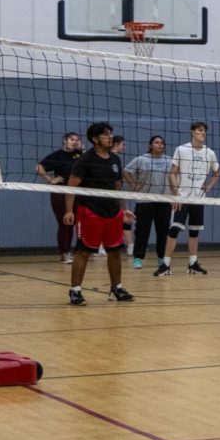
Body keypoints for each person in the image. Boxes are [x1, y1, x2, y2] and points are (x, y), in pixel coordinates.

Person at [61, 122, 134, 306]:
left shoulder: (115, 160)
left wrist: (123, 209)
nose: (110, 137)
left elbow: (118, 188)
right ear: (95, 139)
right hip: (90, 212)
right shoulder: (85, 160)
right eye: (105, 135)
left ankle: (116, 288)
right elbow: (71, 187)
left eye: (110, 134)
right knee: (83, 251)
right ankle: (75, 291)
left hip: (112, 213)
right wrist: (69, 211)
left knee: (115, 251)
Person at [161, 121, 220, 277]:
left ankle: (193, 263)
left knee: (194, 232)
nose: (203, 133)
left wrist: (207, 188)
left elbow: (217, 173)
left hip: (198, 199)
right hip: (182, 197)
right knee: (174, 230)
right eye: (200, 130)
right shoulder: (181, 150)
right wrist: (176, 194)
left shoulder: (210, 153)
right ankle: (165, 264)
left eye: (205, 131)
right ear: (192, 132)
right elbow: (172, 173)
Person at [124, 135, 174, 271]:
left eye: (162, 143)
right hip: (144, 201)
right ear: (150, 145)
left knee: (163, 232)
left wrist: (174, 196)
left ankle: (161, 258)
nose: (160, 145)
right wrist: (133, 184)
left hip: (164, 201)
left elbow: (175, 177)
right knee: (142, 231)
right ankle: (138, 258)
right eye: (157, 142)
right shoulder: (141, 159)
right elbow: (126, 172)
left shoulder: (170, 160)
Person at [36, 131, 83, 263]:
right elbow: (39, 167)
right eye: (72, 139)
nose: (74, 141)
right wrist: (50, 180)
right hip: (61, 192)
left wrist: (82, 149)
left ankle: (73, 251)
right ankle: (64, 253)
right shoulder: (58, 155)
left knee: (74, 222)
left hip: (76, 193)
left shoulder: (79, 155)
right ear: (65, 141)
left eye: (77, 139)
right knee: (65, 222)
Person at [111, 135, 135, 257]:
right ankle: (101, 246)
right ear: (116, 144)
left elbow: (121, 177)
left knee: (126, 219)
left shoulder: (116, 159)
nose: (124, 147)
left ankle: (130, 245)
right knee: (114, 220)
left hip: (116, 194)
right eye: (123, 144)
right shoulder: (112, 158)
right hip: (109, 196)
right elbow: (117, 182)